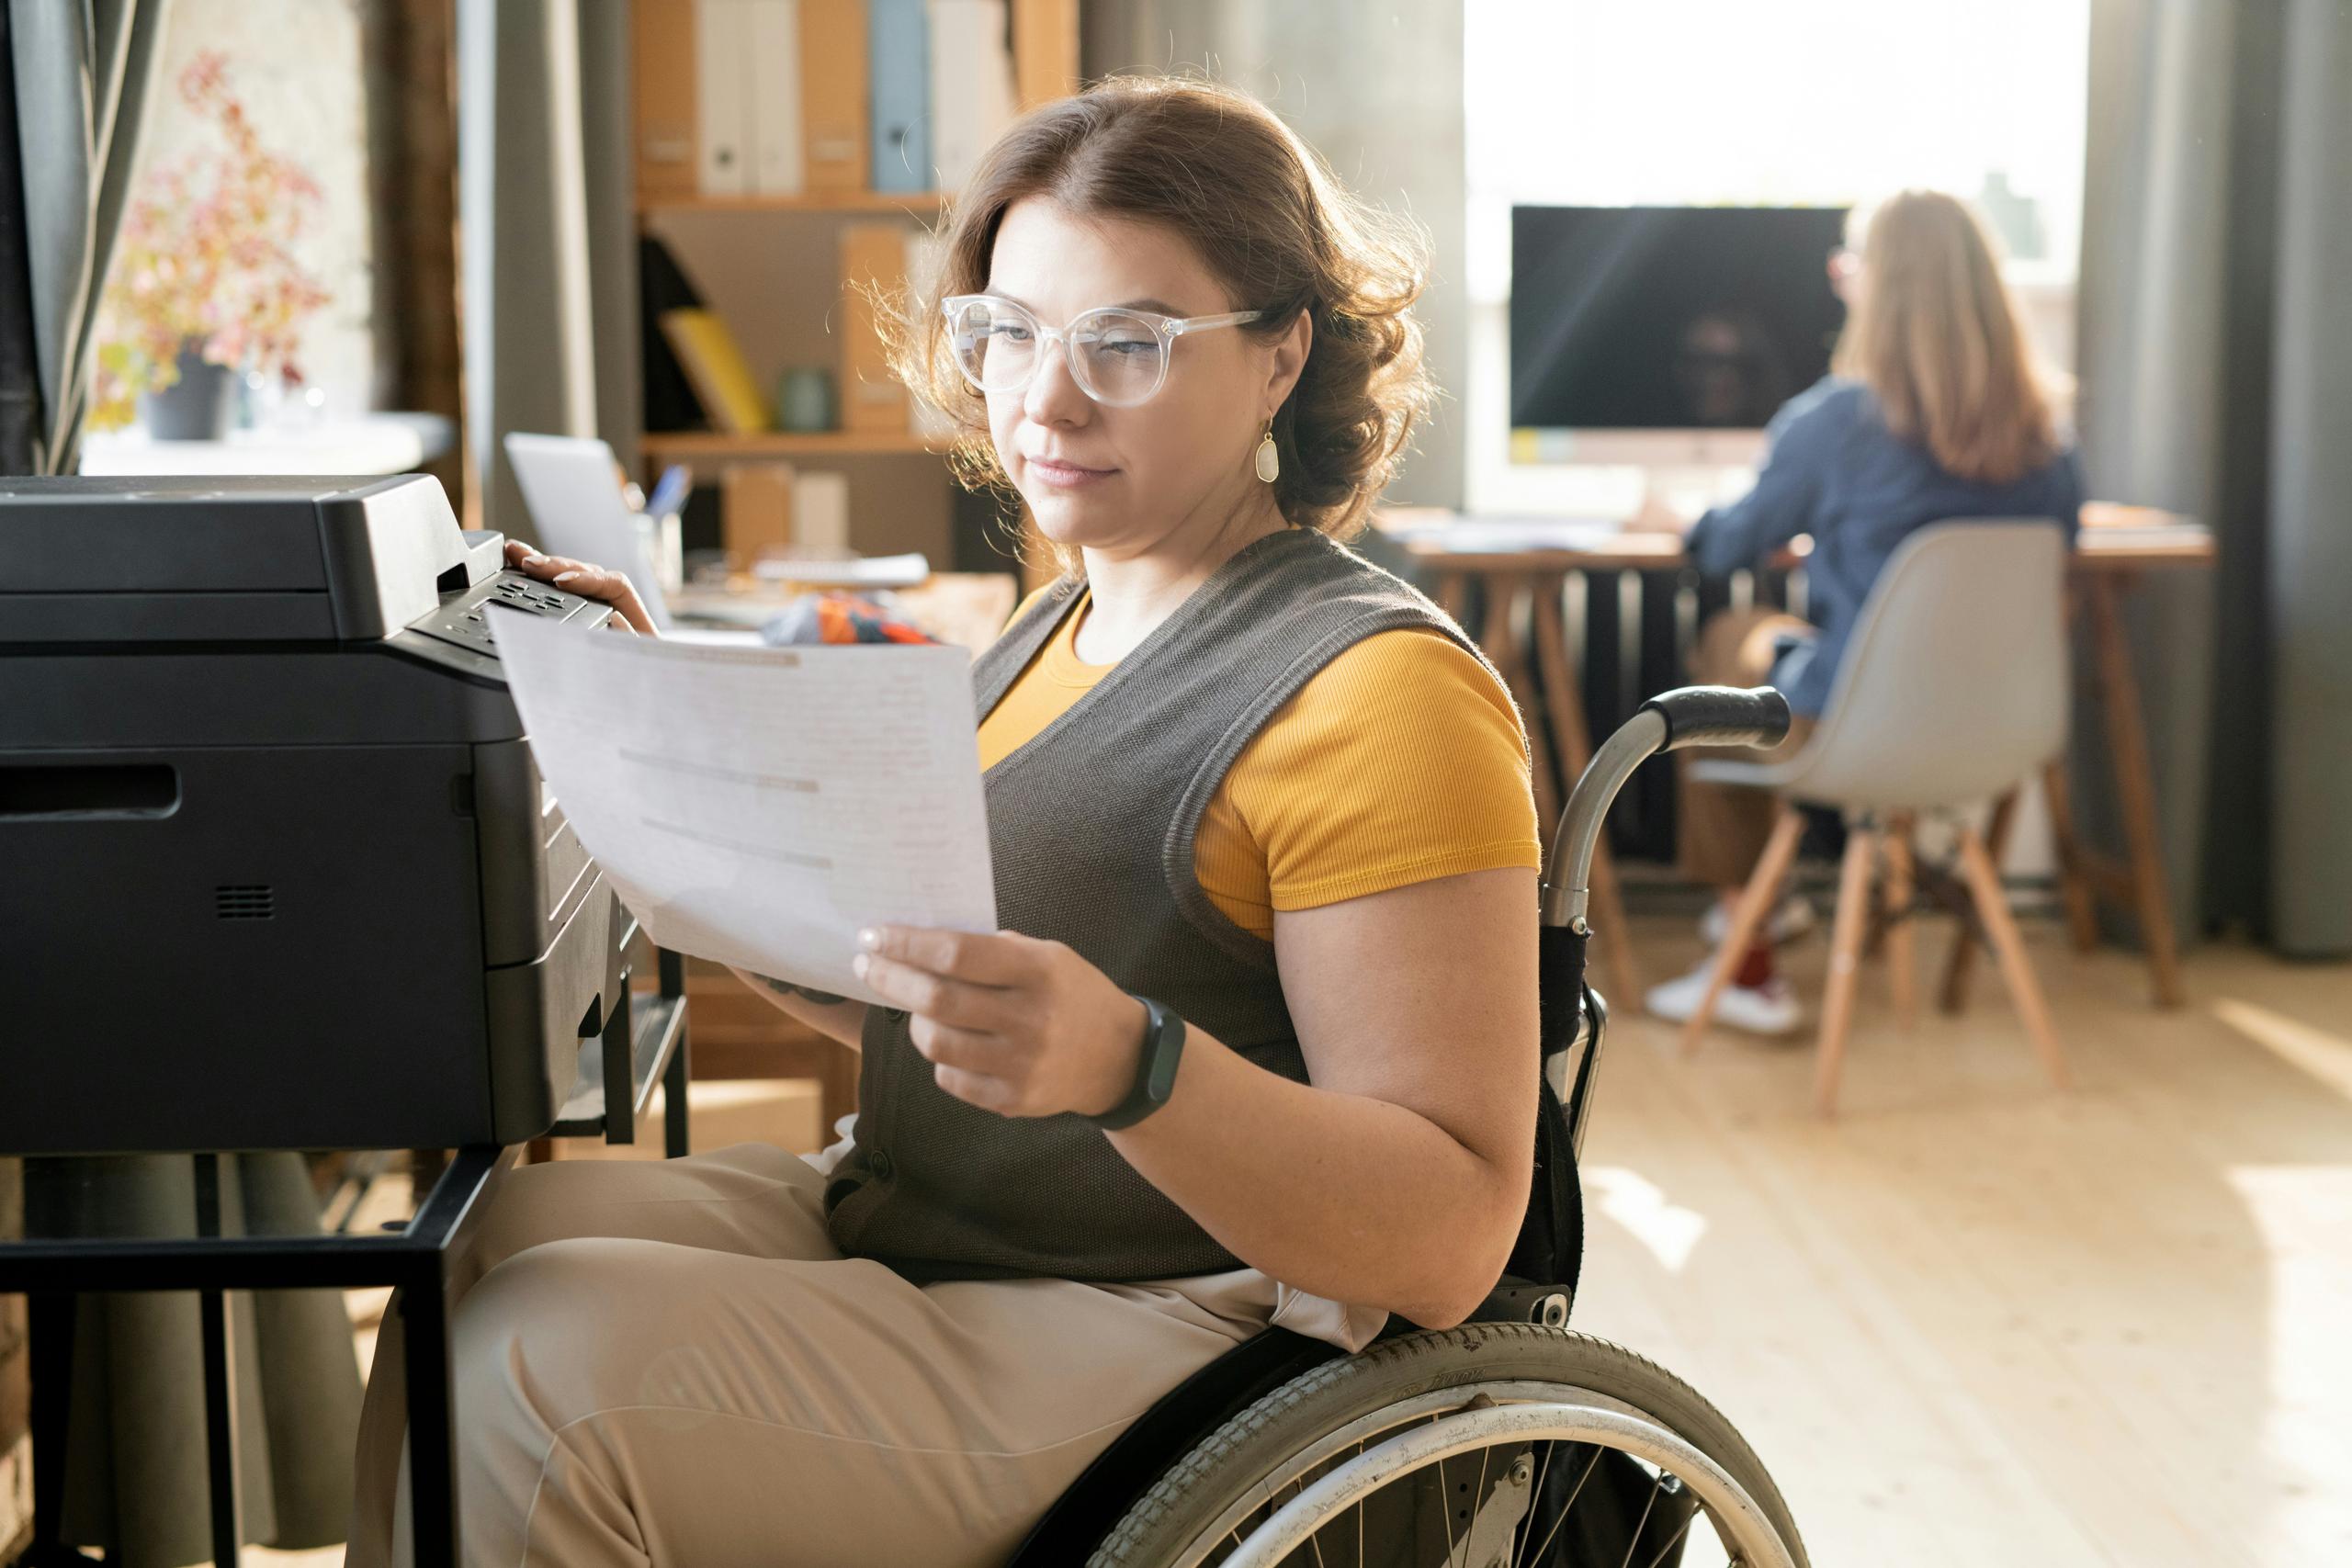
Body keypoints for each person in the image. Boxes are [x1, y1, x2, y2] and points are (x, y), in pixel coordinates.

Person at [349, 76, 1544, 1567]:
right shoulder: (1056, 627)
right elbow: (951, 1006)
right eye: (1007, 332)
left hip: (1176, 1315)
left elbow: (1448, 1231)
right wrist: (665, 750)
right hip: (947, 1220)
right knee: (465, 1264)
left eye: (1128, 343)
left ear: (1280, 355)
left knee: (533, 1380)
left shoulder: (1383, 696)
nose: (1043, 399)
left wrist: (1131, 1061)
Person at [1633, 189, 2085, 1035]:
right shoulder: (2045, 435)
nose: (1842, 280)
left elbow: (1729, 548)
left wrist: (1678, 520)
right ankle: (1763, 920)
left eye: (1852, 264)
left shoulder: (1837, 420)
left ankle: (1751, 950)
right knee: (1782, 642)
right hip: (2000, 727)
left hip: (1861, 722)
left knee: (1734, 634)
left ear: (1883, 287)